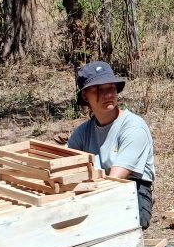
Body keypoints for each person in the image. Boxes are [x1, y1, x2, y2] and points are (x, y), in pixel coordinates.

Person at [65, 61, 155, 229]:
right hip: (95, 190)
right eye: (99, 89)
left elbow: (116, 179)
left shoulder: (133, 127)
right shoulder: (83, 132)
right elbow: (63, 163)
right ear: (85, 95)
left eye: (110, 88)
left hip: (131, 190)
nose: (107, 94)